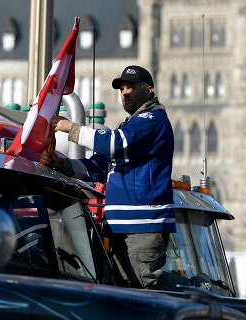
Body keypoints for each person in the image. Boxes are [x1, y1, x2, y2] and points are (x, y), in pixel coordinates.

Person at [41, 65, 209, 291]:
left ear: (149, 90)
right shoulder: (132, 126)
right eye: (121, 89)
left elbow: (116, 144)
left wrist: (72, 128)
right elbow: (98, 167)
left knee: (145, 282)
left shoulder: (153, 120)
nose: (125, 93)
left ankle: (199, 292)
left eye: (131, 87)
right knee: (127, 289)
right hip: (120, 223)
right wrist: (61, 164)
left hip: (143, 222)